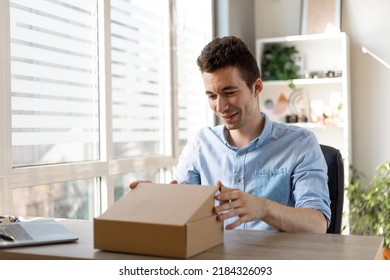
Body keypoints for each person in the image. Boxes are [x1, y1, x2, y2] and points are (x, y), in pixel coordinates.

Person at [130, 35, 331, 234]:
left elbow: (317, 225)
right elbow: (180, 208)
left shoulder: (299, 144)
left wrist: (264, 208)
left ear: (257, 87)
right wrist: (156, 198)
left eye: (230, 92)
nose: (221, 106)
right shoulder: (201, 144)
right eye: (212, 96)